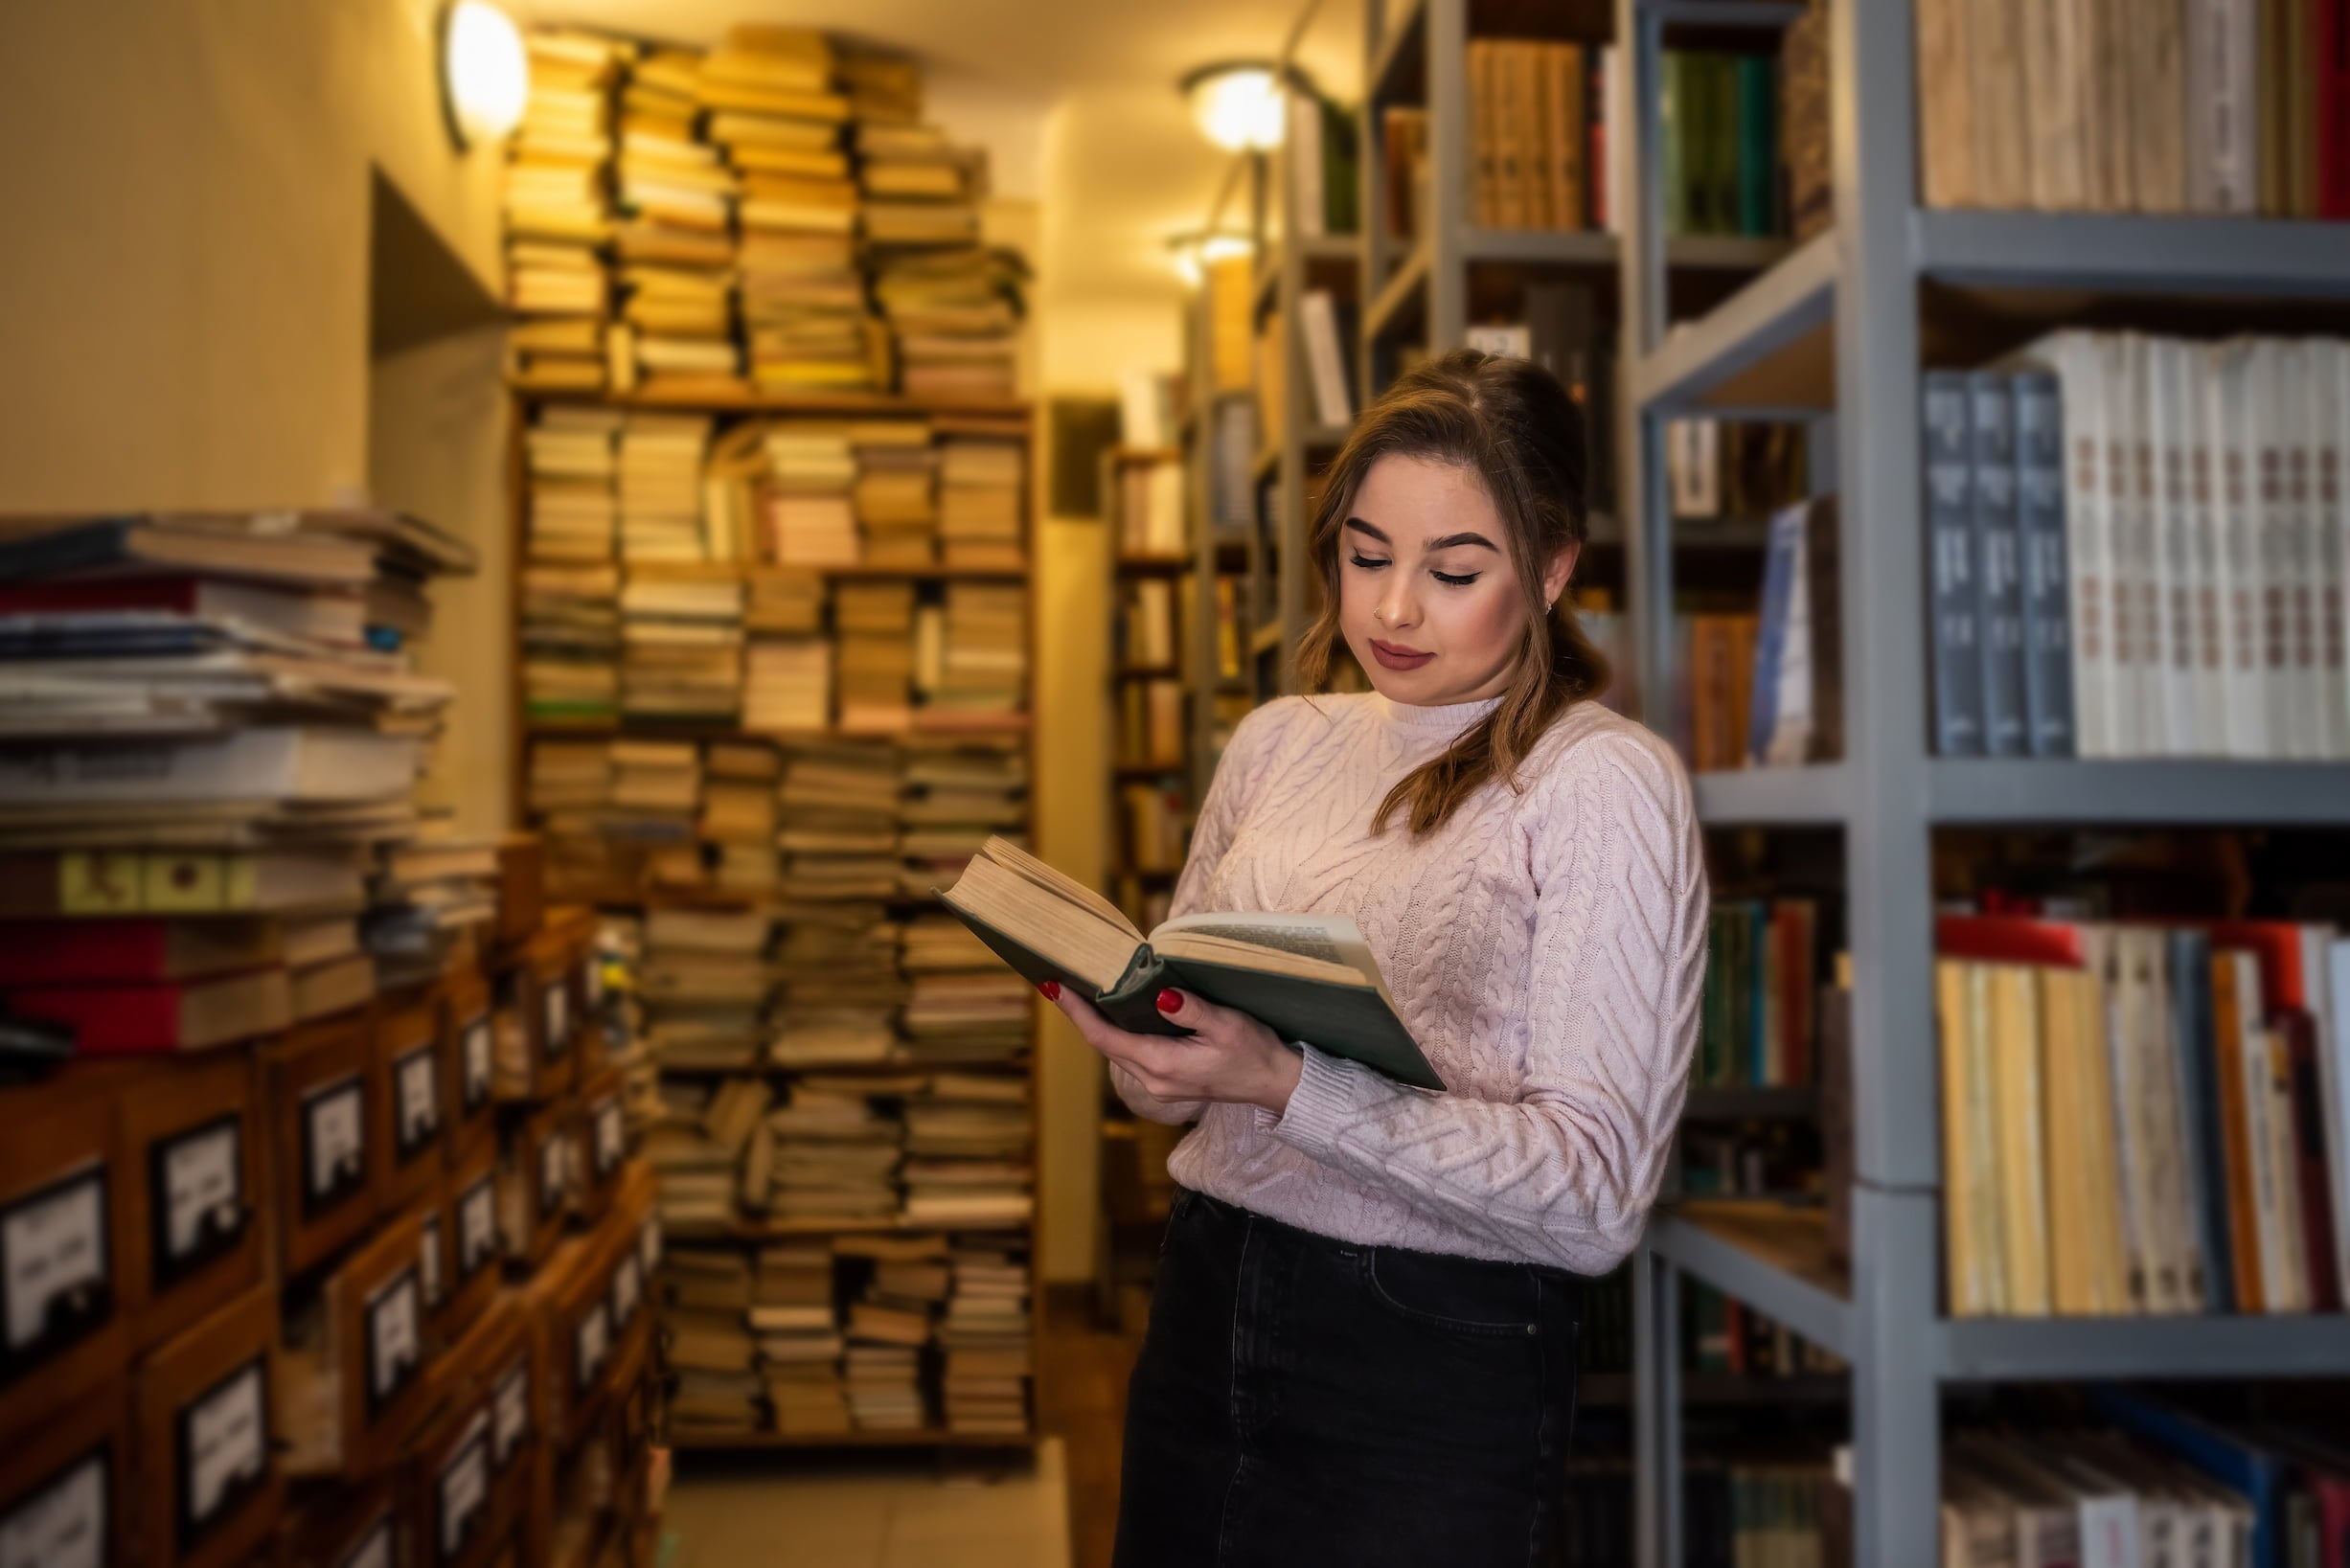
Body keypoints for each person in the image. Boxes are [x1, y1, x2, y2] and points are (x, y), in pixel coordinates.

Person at [1042, 348, 1708, 1566]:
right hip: (1206, 1284)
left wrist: (1289, 1086)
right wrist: (1156, 1067)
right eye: (1363, 556)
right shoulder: (1275, 742)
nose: (1391, 609)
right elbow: (1193, 1032)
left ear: (1553, 570)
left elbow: (1596, 1196)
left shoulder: (1598, 783)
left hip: (1426, 1353)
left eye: (1454, 571)